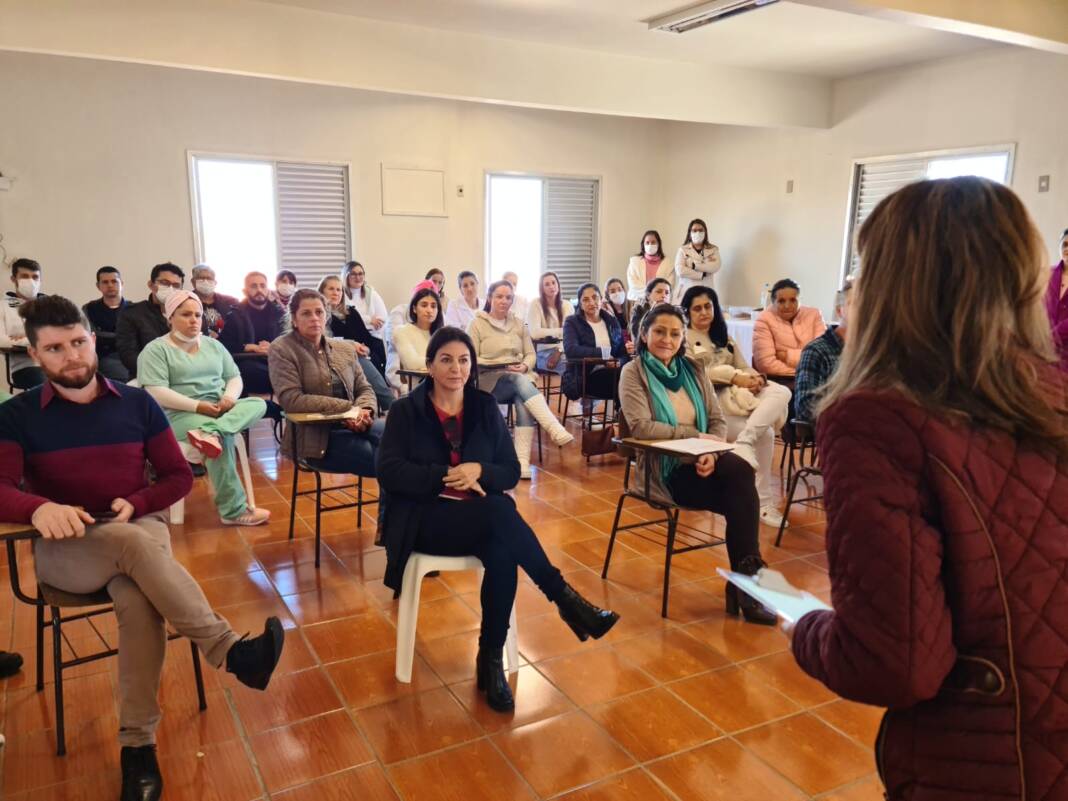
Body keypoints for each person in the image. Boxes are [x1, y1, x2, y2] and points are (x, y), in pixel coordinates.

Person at [789, 177, 1068, 801]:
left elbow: (896, 662)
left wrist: (804, 627)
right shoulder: (1055, 395)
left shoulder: (876, 421)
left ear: (891, 285)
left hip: (992, 760)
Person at [0, 295, 284, 801]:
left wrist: (137, 501)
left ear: (92, 339)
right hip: (68, 545)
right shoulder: (17, 415)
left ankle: (138, 748)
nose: (72, 356)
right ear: (35, 354)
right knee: (134, 547)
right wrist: (38, 508)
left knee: (137, 598)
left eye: (78, 342)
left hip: (136, 528)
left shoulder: (136, 404)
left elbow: (177, 477)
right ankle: (228, 651)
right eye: (55, 348)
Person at [377, 326, 619, 712]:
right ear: (429, 365)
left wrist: (479, 470)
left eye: (463, 360)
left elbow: (508, 470)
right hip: (426, 522)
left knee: (502, 547)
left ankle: (490, 659)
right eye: (446, 360)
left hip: (479, 519)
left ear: (472, 366)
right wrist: (445, 475)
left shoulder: (483, 406)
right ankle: (564, 599)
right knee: (500, 510)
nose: (456, 368)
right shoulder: (407, 411)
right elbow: (388, 471)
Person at [620, 303, 773, 624]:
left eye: (675, 334)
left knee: (740, 477)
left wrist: (710, 452)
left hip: (704, 460)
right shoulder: (633, 372)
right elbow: (642, 427)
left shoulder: (694, 369)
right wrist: (693, 437)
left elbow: (717, 421)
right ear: (645, 334)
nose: (667, 339)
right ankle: (747, 585)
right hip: (665, 470)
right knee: (741, 491)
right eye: (660, 332)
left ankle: (745, 582)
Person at [137, 290, 270, 527]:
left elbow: (234, 377)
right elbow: (156, 391)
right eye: (185, 314)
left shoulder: (213, 346)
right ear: (170, 316)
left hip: (218, 409)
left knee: (258, 404)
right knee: (221, 441)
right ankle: (233, 511)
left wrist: (228, 398)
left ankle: (210, 431)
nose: (194, 320)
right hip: (179, 415)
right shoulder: (156, 350)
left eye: (198, 315)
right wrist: (198, 406)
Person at [681, 286, 791, 528]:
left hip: (742, 394)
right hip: (714, 403)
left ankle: (745, 440)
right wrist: (734, 377)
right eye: (697, 308)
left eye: (708, 306)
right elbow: (698, 374)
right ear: (687, 312)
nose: (704, 312)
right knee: (766, 433)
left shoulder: (724, 337)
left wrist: (755, 378)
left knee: (782, 391)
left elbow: (743, 365)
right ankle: (762, 504)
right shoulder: (684, 338)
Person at [268, 288, 385, 477]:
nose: (314, 318)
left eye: (319, 312)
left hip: (356, 424)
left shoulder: (344, 348)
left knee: (399, 444)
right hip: (316, 438)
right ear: (294, 319)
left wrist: (364, 411)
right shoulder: (282, 349)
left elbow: (364, 388)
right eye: (306, 313)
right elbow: (292, 400)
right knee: (386, 463)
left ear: (326, 316)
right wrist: (349, 410)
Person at [468, 280, 573, 478]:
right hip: (489, 381)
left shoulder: (518, 323)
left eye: (508, 297)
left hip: (519, 378)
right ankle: (552, 426)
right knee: (519, 382)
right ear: (489, 298)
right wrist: (500, 363)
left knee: (521, 395)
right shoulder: (477, 323)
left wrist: (524, 366)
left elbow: (530, 354)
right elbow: (470, 357)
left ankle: (521, 461)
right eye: (499, 296)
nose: (504, 301)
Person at [318, 275, 392, 411]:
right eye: (331, 289)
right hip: (332, 359)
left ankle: (391, 409)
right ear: (322, 292)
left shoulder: (351, 312)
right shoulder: (319, 314)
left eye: (339, 290)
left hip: (358, 356)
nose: (336, 293)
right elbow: (323, 341)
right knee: (361, 364)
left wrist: (365, 349)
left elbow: (367, 339)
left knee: (366, 363)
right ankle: (392, 407)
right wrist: (352, 345)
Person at [794, 280, 853, 424]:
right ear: (840, 311)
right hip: (837, 429)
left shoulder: (876, 352)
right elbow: (806, 406)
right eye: (856, 303)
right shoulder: (817, 351)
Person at [220, 271, 287, 396]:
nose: (259, 290)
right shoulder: (235, 315)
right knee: (247, 370)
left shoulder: (279, 314)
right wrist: (249, 347)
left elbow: (290, 341)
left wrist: (273, 347)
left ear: (268, 289)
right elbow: (223, 345)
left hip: (276, 361)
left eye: (263, 286)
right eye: (254, 286)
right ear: (245, 291)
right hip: (249, 363)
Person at [562, 282, 631, 403]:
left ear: (601, 299)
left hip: (613, 372)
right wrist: (603, 355)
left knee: (631, 375)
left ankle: (622, 411)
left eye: (595, 297)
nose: (592, 303)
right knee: (626, 379)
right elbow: (571, 350)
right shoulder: (572, 322)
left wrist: (618, 362)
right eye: (586, 300)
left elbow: (623, 353)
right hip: (584, 376)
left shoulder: (612, 321)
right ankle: (622, 412)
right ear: (580, 304)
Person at [117, 262, 185, 379]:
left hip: (185, 375)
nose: (170, 288)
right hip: (148, 376)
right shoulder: (132, 313)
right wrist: (161, 373)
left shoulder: (189, 313)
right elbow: (128, 355)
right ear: (151, 284)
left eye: (176, 285)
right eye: (164, 283)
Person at [752, 278, 826, 378]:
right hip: (780, 380)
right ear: (773, 302)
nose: (787, 306)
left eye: (793, 300)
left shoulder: (814, 314)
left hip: (815, 379)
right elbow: (766, 365)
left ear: (800, 300)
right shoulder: (763, 320)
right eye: (781, 301)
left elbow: (822, 356)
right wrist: (804, 373)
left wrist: (786, 356)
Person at [2, 257, 47, 390]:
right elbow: (2, 340)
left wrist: (24, 338)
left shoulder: (52, 305)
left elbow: (64, 335)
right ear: (13, 279)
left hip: (59, 362)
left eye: (35, 277)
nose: (31, 281)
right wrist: (40, 340)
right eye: (25, 276)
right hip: (27, 368)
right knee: (49, 386)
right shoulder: (2, 307)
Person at [390, 283, 444, 392]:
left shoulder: (442, 333)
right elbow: (412, 363)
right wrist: (444, 362)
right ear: (414, 308)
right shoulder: (402, 331)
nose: (429, 310)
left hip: (444, 385)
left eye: (433, 306)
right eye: (424, 305)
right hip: (418, 389)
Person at [82, 266, 130, 382]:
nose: (110, 285)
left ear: (122, 283)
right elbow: (88, 339)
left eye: (114, 281)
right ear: (98, 286)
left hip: (130, 360)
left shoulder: (134, 309)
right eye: (105, 282)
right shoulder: (89, 309)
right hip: (100, 362)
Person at [526, 271, 574, 376]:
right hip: (542, 352)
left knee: (580, 364)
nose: (551, 286)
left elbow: (570, 335)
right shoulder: (535, 304)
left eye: (553, 282)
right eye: (547, 284)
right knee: (571, 367)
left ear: (558, 285)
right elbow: (534, 333)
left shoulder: (567, 305)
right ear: (542, 288)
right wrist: (561, 331)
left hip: (564, 349)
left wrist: (559, 350)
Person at [673, 218, 721, 302]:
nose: (697, 233)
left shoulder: (713, 249)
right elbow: (680, 270)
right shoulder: (682, 250)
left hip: (706, 289)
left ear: (705, 232)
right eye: (694, 230)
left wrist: (694, 266)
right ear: (690, 233)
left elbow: (715, 267)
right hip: (686, 291)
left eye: (700, 230)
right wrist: (701, 275)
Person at [343, 261, 388, 345]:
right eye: (353, 274)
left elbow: (383, 319)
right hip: (351, 340)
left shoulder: (371, 293)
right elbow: (346, 319)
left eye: (360, 274)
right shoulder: (341, 294)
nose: (358, 277)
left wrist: (362, 324)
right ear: (346, 276)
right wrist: (370, 320)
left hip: (373, 338)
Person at [191, 264, 238, 340]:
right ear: (193, 282)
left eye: (209, 278)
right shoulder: (186, 302)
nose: (205, 281)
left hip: (227, 344)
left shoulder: (231, 302)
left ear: (215, 282)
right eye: (201, 278)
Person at [1044, 228, 1068, 370]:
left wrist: (1052, 337)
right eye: (1064, 244)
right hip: (1044, 353)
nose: (1067, 249)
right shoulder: (1046, 275)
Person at [626, 230, 672, 301]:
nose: (650, 245)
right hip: (636, 300)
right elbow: (633, 283)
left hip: (660, 301)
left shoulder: (668, 263)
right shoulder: (634, 261)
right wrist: (650, 295)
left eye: (653, 242)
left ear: (658, 244)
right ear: (643, 245)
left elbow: (669, 284)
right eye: (647, 243)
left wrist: (655, 295)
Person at [628, 277, 673, 342]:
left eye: (667, 293)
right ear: (648, 296)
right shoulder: (639, 310)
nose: (663, 296)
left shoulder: (674, 315)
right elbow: (638, 336)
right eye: (659, 292)